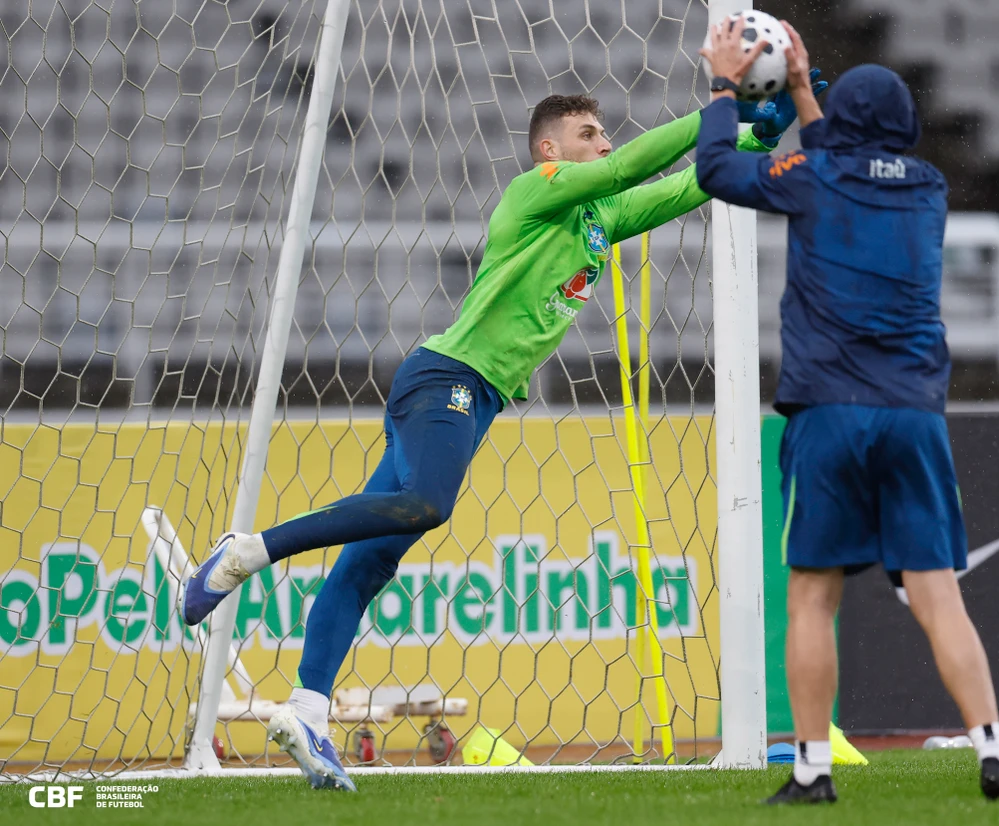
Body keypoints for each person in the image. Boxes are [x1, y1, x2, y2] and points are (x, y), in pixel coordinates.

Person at [180, 74, 824, 790]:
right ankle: (246, 553)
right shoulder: (535, 191)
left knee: (368, 565)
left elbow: (682, 189)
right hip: (446, 377)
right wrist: (721, 112)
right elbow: (629, 167)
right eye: (589, 134)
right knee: (429, 503)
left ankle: (306, 711)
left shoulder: (595, 220)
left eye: (605, 132)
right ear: (550, 151)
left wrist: (753, 140)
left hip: (471, 395)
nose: (604, 143)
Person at [697, 19, 999, 805]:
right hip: (914, 413)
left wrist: (724, 86)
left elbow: (718, 168)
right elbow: (847, 159)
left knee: (814, 594)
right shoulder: (928, 189)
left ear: (842, 123)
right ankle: (994, 752)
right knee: (938, 594)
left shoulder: (812, 178)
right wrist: (807, 91)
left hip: (829, 412)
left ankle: (812, 770)